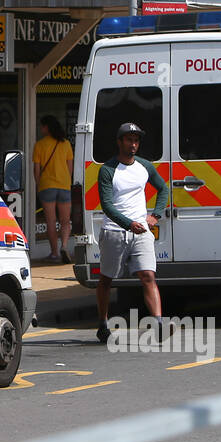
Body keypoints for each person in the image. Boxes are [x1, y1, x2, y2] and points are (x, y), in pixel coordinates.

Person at [94, 122, 170, 345]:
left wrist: (155, 215)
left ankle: (159, 323)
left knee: (148, 276)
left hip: (142, 233)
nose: (133, 144)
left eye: (136, 140)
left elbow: (163, 189)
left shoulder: (145, 166)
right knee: (107, 280)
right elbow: (107, 205)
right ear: (120, 142)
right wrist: (129, 224)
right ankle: (102, 324)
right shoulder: (107, 170)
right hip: (114, 232)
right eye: (129, 140)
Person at [32, 115, 74, 264]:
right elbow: (70, 168)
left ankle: (55, 253)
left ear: (46, 127)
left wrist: (38, 185)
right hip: (64, 185)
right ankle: (64, 246)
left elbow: (36, 170)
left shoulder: (39, 145)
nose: (41, 128)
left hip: (47, 186)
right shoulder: (66, 144)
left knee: (51, 221)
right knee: (65, 221)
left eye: (42, 126)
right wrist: (66, 181)